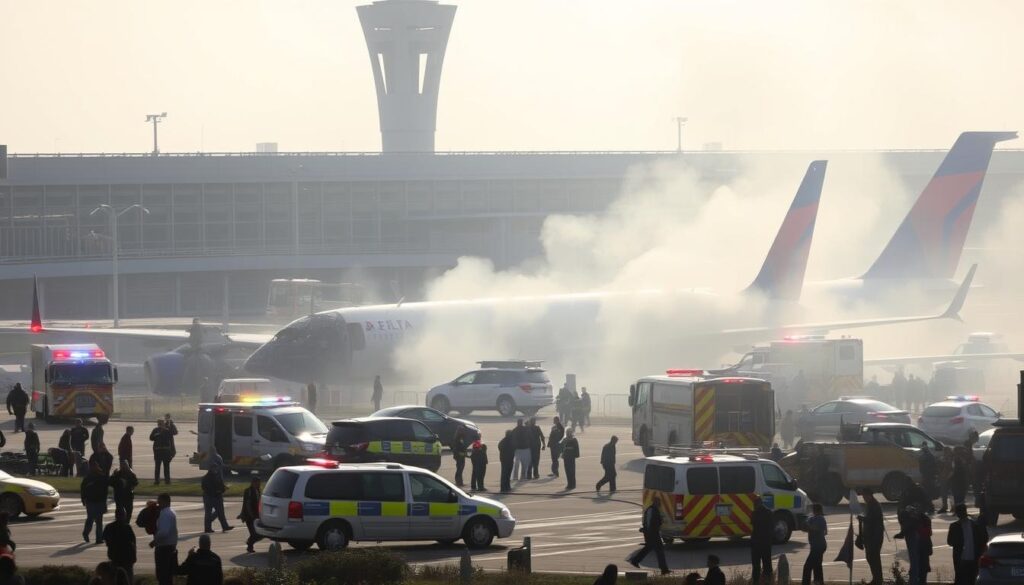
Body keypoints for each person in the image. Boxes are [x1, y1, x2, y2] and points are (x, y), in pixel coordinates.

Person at [628, 499, 670, 575]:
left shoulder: (653, 510)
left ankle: (635, 561)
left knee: (649, 548)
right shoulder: (651, 510)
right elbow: (649, 523)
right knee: (659, 551)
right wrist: (650, 533)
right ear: (655, 503)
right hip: (653, 534)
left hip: (652, 533)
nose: (659, 505)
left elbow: (653, 522)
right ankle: (664, 569)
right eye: (658, 503)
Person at [948, 504, 986, 585]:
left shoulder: (955, 526)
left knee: (964, 578)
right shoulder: (974, 525)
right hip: (967, 558)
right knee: (968, 578)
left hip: (965, 558)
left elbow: (950, 542)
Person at [102, 508, 137, 583]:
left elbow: (105, 539)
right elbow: (133, 542)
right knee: (128, 578)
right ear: (124, 516)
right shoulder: (127, 527)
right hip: (127, 558)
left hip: (115, 557)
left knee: (115, 578)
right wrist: (134, 556)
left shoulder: (109, 527)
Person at [859, 489, 885, 585]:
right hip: (871, 536)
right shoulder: (871, 505)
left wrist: (862, 518)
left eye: (865, 496)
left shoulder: (874, 505)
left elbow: (872, 520)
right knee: (871, 557)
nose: (864, 498)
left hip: (874, 537)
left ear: (869, 495)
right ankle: (877, 578)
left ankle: (877, 579)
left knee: (873, 557)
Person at [151, 493, 178, 585]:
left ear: (165, 501)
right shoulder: (171, 512)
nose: (158, 503)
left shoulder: (165, 514)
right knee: (169, 575)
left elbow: (164, 532)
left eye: (160, 501)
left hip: (164, 548)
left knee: (163, 576)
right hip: (170, 547)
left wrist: (154, 541)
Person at [81, 461, 110, 543]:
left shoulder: (102, 476)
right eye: (93, 466)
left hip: (99, 500)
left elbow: (105, 489)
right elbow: (83, 489)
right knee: (90, 518)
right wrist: (83, 499)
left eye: (96, 466)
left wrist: (104, 501)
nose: (95, 468)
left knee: (99, 520)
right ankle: (86, 532)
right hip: (90, 501)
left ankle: (99, 538)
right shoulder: (88, 478)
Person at [201, 466, 233, 533]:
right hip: (214, 497)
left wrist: (223, 488)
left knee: (216, 512)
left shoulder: (208, 477)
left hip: (210, 497)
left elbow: (204, 487)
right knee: (217, 512)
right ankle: (213, 526)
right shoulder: (212, 478)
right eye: (215, 468)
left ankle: (221, 526)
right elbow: (218, 487)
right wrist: (222, 490)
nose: (216, 470)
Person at [750, 496, 774, 585]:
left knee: (756, 565)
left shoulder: (755, 513)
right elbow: (772, 527)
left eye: (754, 504)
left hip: (756, 542)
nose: (754, 506)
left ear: (757, 504)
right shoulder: (769, 512)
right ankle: (767, 581)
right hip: (766, 542)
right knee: (767, 563)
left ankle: (756, 582)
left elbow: (753, 523)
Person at [802, 503, 827, 585]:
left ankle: (806, 583)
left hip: (818, 546)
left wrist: (808, 525)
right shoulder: (813, 518)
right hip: (816, 545)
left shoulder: (820, 518)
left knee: (807, 566)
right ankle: (819, 582)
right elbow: (805, 528)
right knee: (817, 565)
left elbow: (817, 528)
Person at [239, 475, 263, 553]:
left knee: (258, 534)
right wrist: (249, 514)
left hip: (256, 515)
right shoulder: (248, 491)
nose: (258, 484)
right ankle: (250, 546)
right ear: (253, 483)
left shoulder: (258, 491)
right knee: (254, 533)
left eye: (259, 483)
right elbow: (247, 504)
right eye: (257, 483)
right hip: (249, 516)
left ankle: (249, 543)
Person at [150, 420, 173, 485]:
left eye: (161, 424)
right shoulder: (155, 430)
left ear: (163, 424)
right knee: (157, 467)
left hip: (165, 451)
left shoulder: (167, 431)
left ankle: (167, 481)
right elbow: (151, 438)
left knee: (166, 467)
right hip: (158, 451)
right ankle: (157, 481)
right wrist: (156, 435)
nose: (159, 425)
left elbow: (170, 440)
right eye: (159, 424)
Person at [919, 443, 938, 508]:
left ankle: (929, 505)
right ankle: (930, 505)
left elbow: (921, 467)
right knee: (929, 490)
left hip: (927, 475)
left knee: (927, 491)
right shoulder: (930, 456)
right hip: (929, 476)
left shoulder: (923, 456)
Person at [937, 446, 955, 513]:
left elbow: (953, 469)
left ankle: (953, 507)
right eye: (944, 451)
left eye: (947, 451)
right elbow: (939, 468)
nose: (945, 453)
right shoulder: (942, 459)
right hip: (943, 478)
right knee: (943, 493)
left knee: (951, 494)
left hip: (950, 478)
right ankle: (944, 506)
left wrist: (948, 477)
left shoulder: (952, 459)